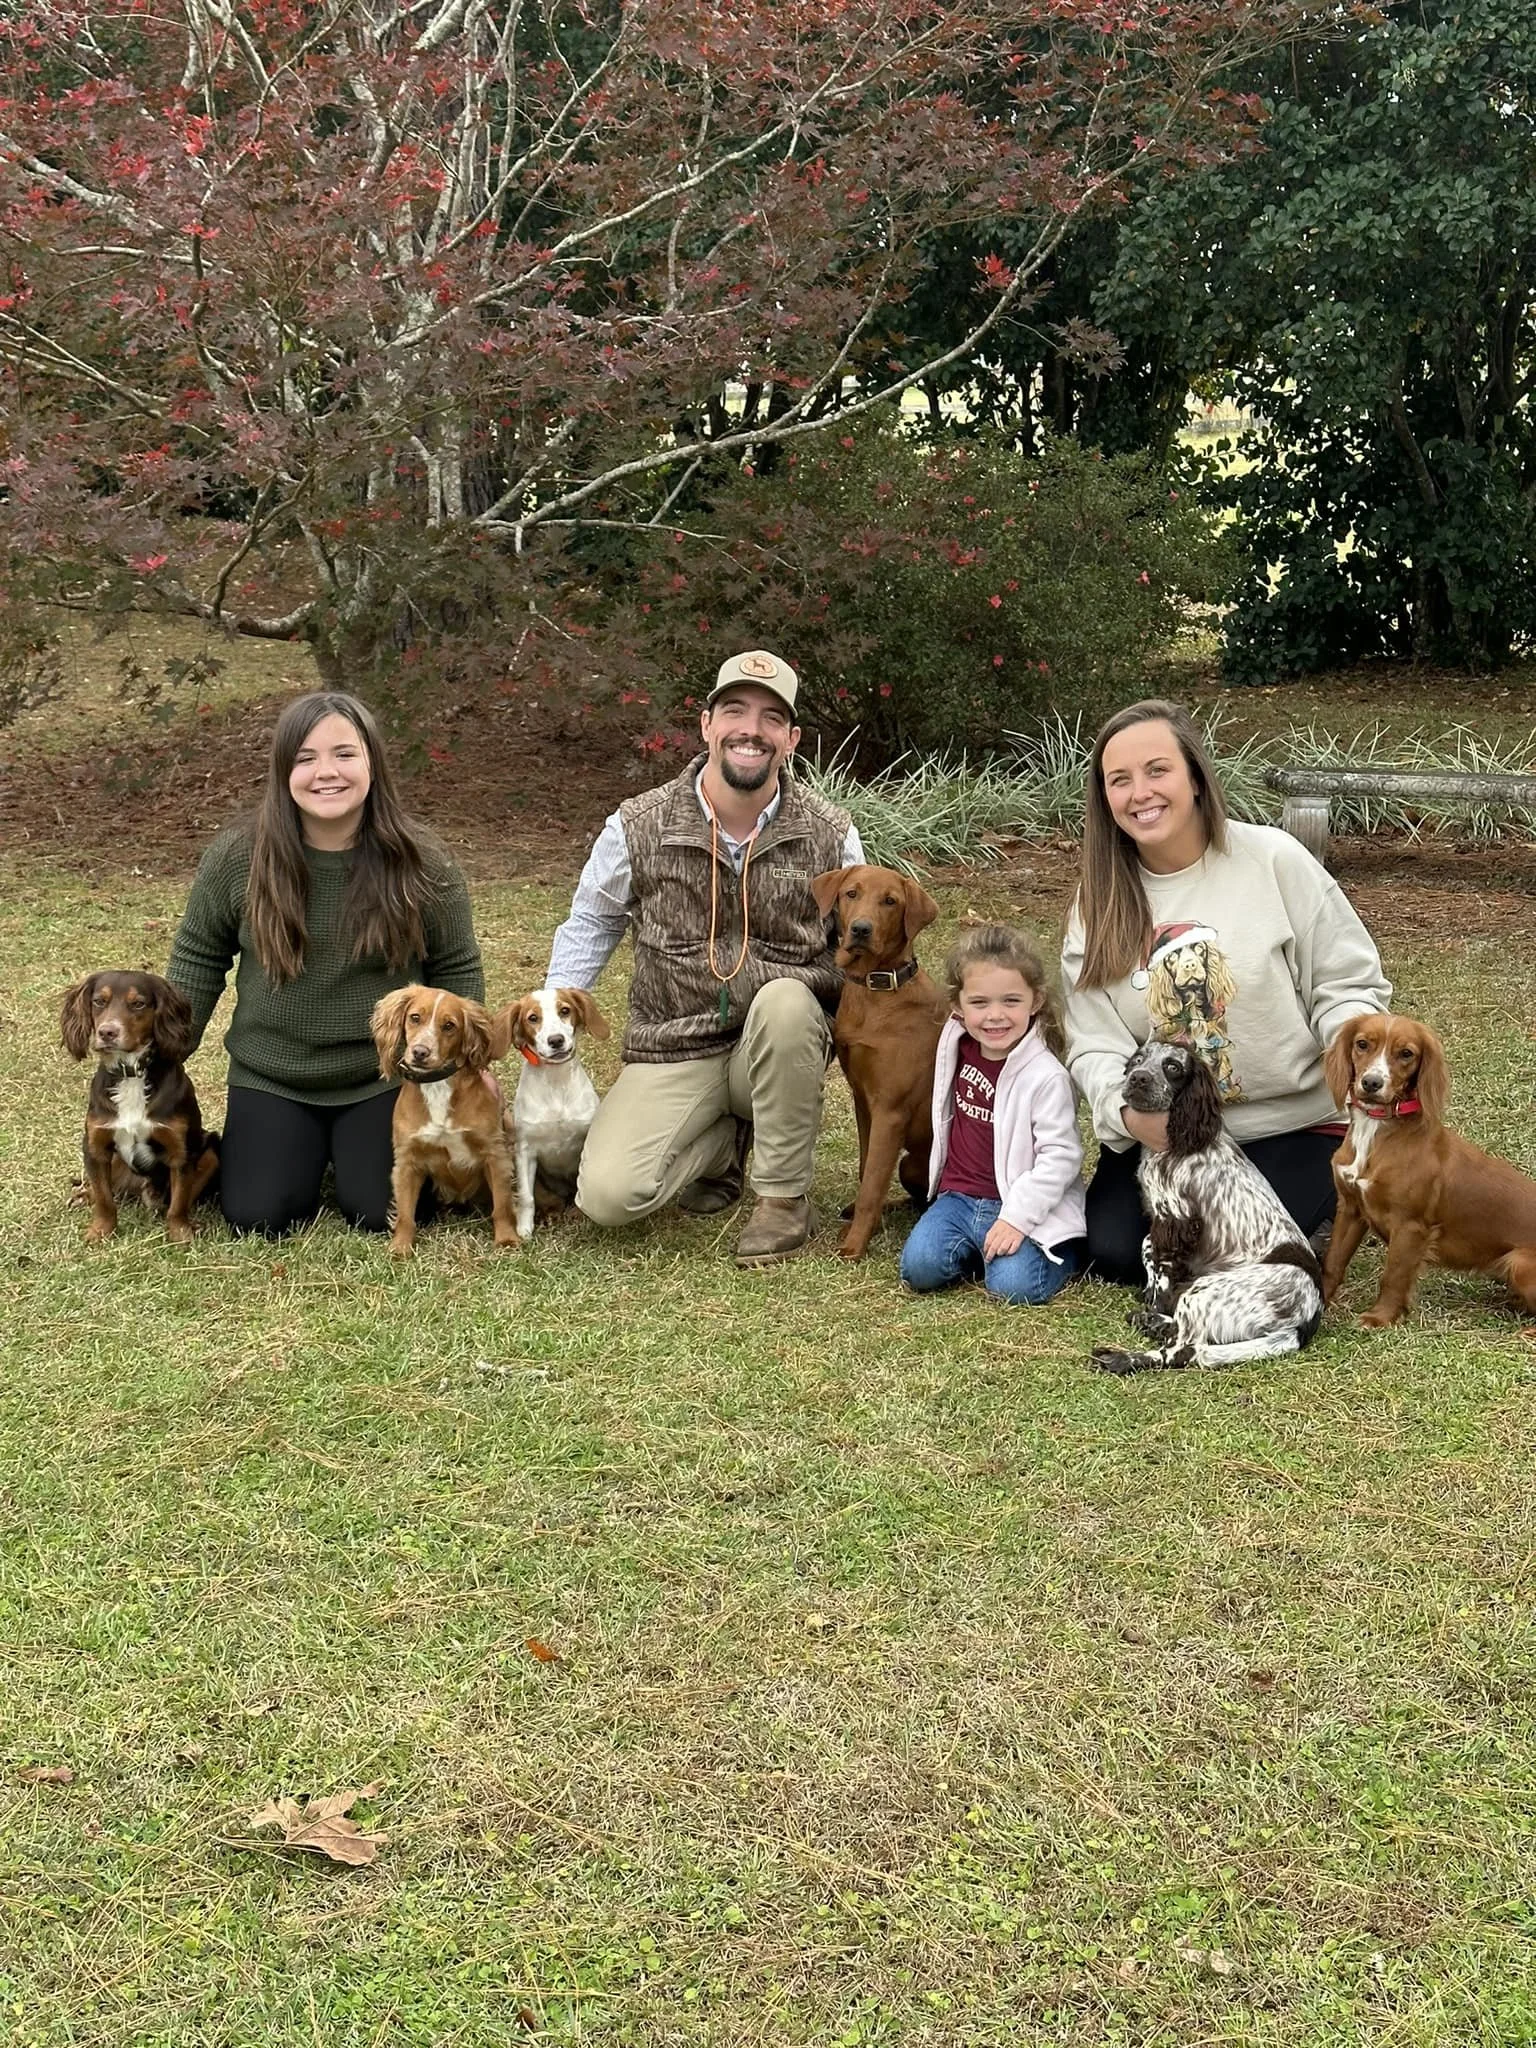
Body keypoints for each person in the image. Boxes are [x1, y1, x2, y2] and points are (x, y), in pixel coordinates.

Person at [546, 648, 862, 1266]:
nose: (752, 730)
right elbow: (592, 921)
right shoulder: (638, 823)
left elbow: (858, 939)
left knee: (788, 1001)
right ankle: (721, 1151)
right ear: (707, 725)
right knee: (610, 1196)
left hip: (779, 1046)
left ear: (791, 739)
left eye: (772, 718)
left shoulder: (830, 831)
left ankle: (782, 1199)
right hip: (674, 1040)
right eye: (736, 711)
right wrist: (553, 1016)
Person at [1060, 697, 1391, 1285]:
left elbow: (1346, 984)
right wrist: (1131, 1119)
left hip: (1294, 1125)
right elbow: (1093, 1043)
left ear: (1194, 775)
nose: (1141, 793)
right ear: (1104, 799)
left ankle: (1323, 1205)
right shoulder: (1099, 901)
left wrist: (1353, 1054)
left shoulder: (1272, 859)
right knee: (1115, 1252)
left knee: (1228, 1254)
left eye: (1157, 770)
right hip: (1171, 1133)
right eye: (1120, 780)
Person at [167, 690, 486, 1235]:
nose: (326, 773)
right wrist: (161, 1058)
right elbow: (199, 958)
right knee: (257, 1215)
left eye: (344, 754)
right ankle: (290, 1151)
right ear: (283, 769)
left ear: (372, 764)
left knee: (379, 1211)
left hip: (383, 1076)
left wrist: (463, 1069)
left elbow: (456, 968)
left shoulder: (423, 861)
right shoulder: (238, 856)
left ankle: (348, 1155)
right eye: (306, 758)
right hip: (273, 1074)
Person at [901, 924, 1087, 1304]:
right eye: (980, 1003)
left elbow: (1062, 1158)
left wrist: (1016, 1219)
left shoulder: (1046, 1076)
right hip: (959, 1197)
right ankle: (982, 1247)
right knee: (919, 1269)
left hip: (1020, 1203)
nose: (995, 1016)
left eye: (1011, 1001)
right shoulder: (955, 1044)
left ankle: (1063, 1254)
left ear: (1035, 1002)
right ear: (958, 1006)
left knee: (1014, 1288)